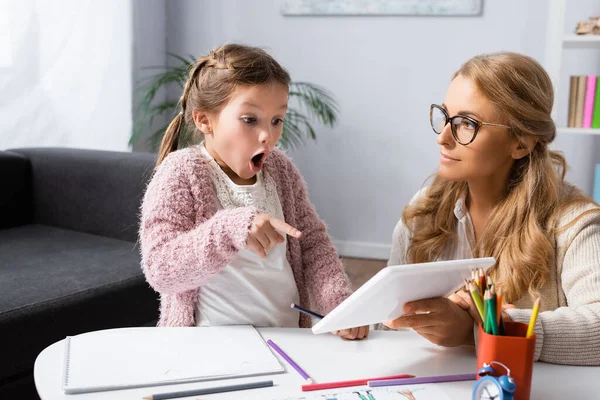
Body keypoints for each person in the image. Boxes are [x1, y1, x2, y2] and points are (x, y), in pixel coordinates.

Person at [139, 43, 367, 340]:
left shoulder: (280, 171)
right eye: (250, 120)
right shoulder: (181, 172)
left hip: (287, 337)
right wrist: (230, 229)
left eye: (277, 120)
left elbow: (312, 243)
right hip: (210, 344)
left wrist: (337, 302)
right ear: (204, 120)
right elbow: (161, 269)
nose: (268, 136)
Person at [385, 52, 600, 365]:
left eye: (467, 124)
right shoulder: (423, 211)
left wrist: (481, 330)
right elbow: (388, 325)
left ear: (521, 144)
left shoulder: (574, 224)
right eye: (445, 116)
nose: (443, 138)